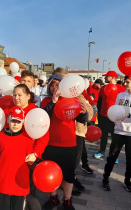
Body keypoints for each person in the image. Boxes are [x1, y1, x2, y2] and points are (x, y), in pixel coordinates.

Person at [41, 74, 88, 210]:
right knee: (52, 173)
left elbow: (82, 120)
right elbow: (44, 117)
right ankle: (53, 197)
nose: (55, 88)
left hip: (69, 144)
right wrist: (53, 102)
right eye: (52, 85)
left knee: (68, 174)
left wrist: (83, 113)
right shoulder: (46, 102)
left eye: (58, 85)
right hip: (51, 144)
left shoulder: (72, 100)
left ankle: (67, 200)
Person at [101, 73, 131, 192]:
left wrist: (130, 115)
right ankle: (105, 179)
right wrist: (115, 118)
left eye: (127, 82)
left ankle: (127, 181)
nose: (124, 84)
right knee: (112, 157)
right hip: (118, 131)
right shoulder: (120, 95)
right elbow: (116, 110)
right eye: (124, 81)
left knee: (130, 159)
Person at [94, 71, 126, 159]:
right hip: (103, 116)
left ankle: (113, 154)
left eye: (106, 77)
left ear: (112, 77)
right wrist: (99, 115)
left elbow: (123, 104)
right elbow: (100, 102)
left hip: (115, 117)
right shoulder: (103, 88)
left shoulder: (121, 89)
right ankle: (102, 151)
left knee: (114, 137)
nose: (104, 78)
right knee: (103, 135)